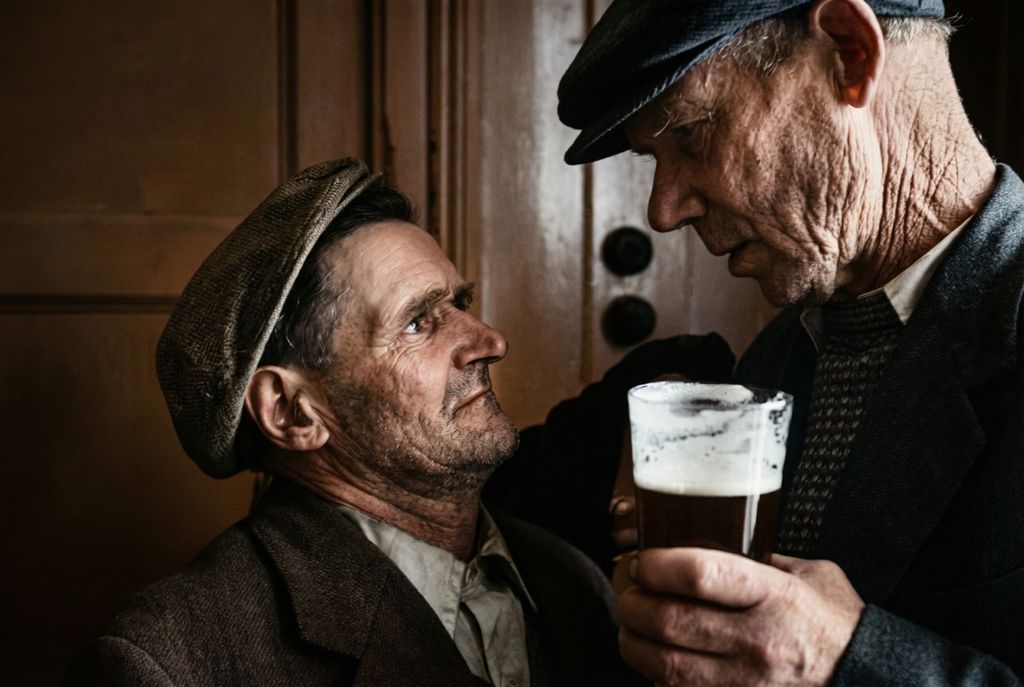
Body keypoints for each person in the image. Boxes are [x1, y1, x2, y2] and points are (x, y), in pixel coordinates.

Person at [555, 0, 1024, 684]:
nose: (663, 209)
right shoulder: (776, 358)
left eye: (689, 130)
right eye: (654, 159)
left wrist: (844, 661)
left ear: (849, 52)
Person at [64, 158, 645, 686]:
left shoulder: (572, 580)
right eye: (417, 324)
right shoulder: (171, 663)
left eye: (458, 305)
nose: (490, 342)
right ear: (291, 412)